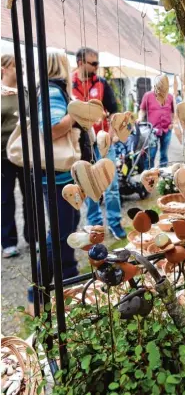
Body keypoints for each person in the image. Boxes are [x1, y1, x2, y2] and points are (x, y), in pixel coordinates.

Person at [28, 50, 89, 309]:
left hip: (60, 176)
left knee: (63, 231)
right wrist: (76, 113)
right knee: (61, 234)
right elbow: (51, 129)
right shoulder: (53, 91)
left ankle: (63, 284)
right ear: (60, 65)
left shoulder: (50, 90)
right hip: (58, 177)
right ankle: (42, 292)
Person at [72, 47, 126, 239]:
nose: (97, 66)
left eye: (97, 63)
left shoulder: (102, 83)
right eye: (93, 63)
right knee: (87, 185)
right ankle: (94, 226)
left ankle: (114, 222)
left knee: (110, 185)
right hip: (81, 144)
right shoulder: (69, 85)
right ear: (80, 63)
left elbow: (114, 113)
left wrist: (110, 136)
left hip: (103, 142)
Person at [1, 54, 29, 258]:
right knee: (6, 198)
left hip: (26, 153)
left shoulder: (25, 92)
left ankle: (33, 237)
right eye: (15, 66)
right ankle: (8, 242)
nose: (20, 70)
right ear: (4, 69)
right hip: (3, 155)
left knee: (30, 196)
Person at [138, 77, 174, 168]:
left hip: (166, 129)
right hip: (152, 130)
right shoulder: (148, 95)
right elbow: (142, 110)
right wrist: (139, 118)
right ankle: (148, 176)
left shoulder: (170, 96)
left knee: (164, 154)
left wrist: (173, 123)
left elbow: (173, 112)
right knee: (151, 154)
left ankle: (163, 176)